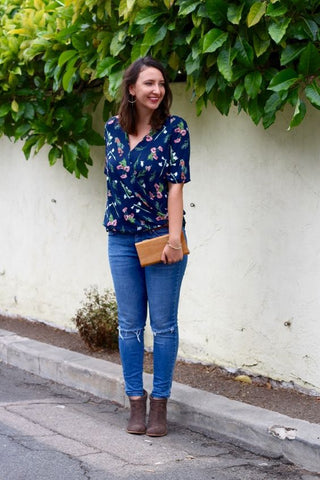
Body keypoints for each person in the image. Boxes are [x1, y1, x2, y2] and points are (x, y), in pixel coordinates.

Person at [103, 56, 191, 437]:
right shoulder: (112, 130)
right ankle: (135, 404)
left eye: (162, 84)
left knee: (164, 326)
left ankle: (160, 406)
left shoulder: (175, 130)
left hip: (160, 239)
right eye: (149, 83)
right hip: (120, 239)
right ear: (131, 89)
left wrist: (174, 238)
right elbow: (113, 185)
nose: (158, 90)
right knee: (129, 326)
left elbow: (176, 185)